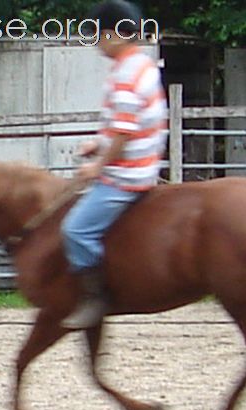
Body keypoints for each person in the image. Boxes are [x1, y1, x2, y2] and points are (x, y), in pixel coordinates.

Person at [60, 0, 168, 329]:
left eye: (98, 34)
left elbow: (124, 131)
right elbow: (124, 123)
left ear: (113, 35)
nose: (96, 42)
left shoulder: (125, 74)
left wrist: (97, 166)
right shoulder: (141, 65)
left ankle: (96, 297)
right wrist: (98, 143)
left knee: (75, 230)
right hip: (139, 163)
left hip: (126, 174)